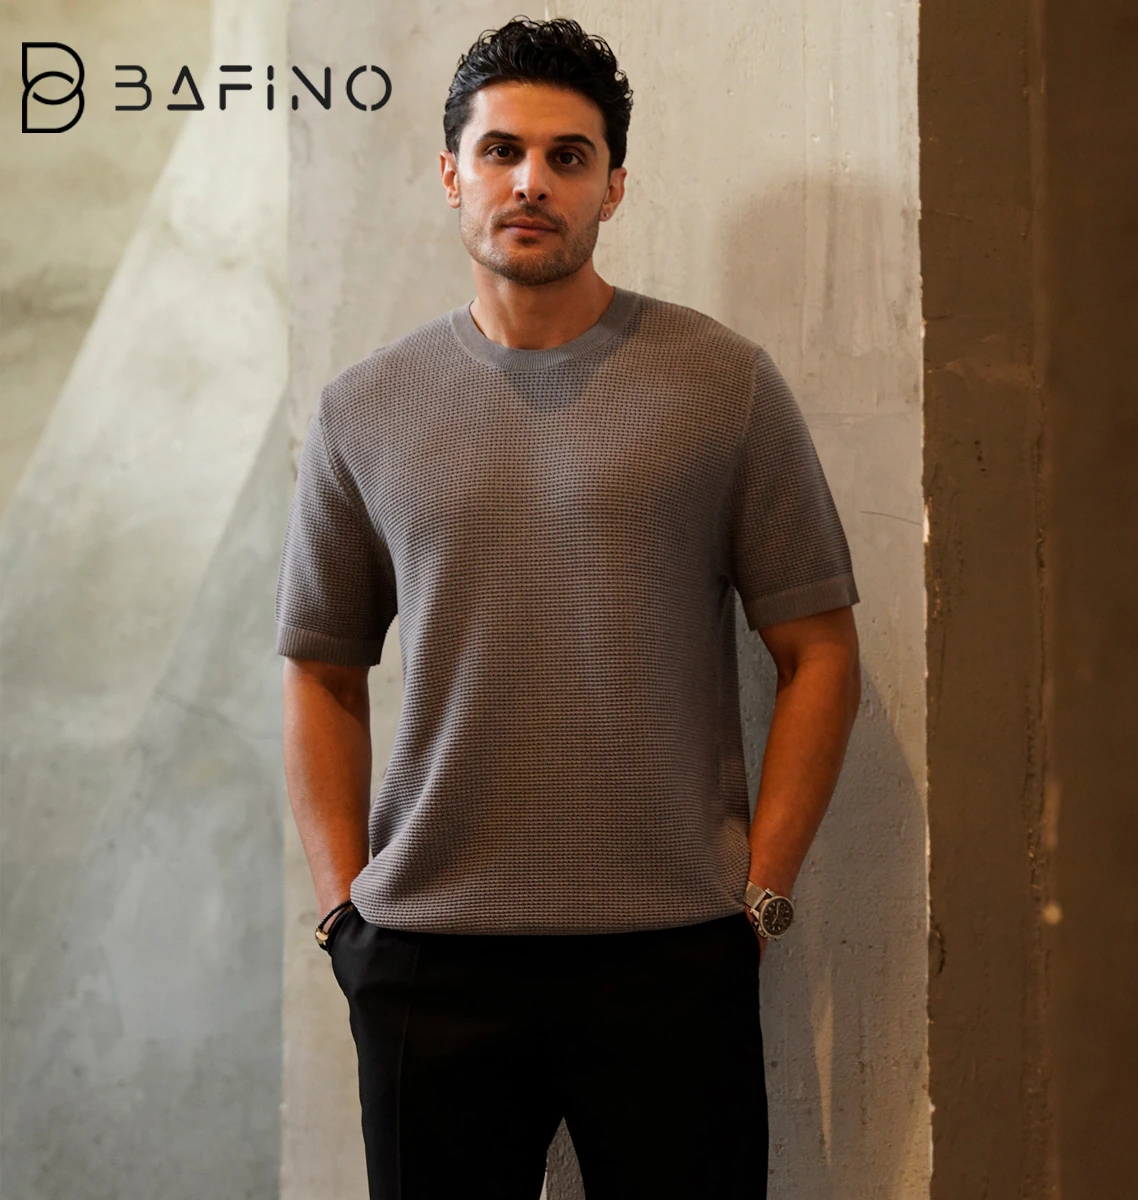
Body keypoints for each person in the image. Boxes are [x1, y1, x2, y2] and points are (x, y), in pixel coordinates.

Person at [274, 16, 861, 1200]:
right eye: (501, 151)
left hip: (672, 957)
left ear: (614, 187)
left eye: (568, 156)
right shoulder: (363, 408)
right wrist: (345, 917)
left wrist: (757, 900)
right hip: (428, 963)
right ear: (452, 175)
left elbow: (822, 654)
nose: (531, 181)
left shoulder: (725, 385)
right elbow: (322, 670)